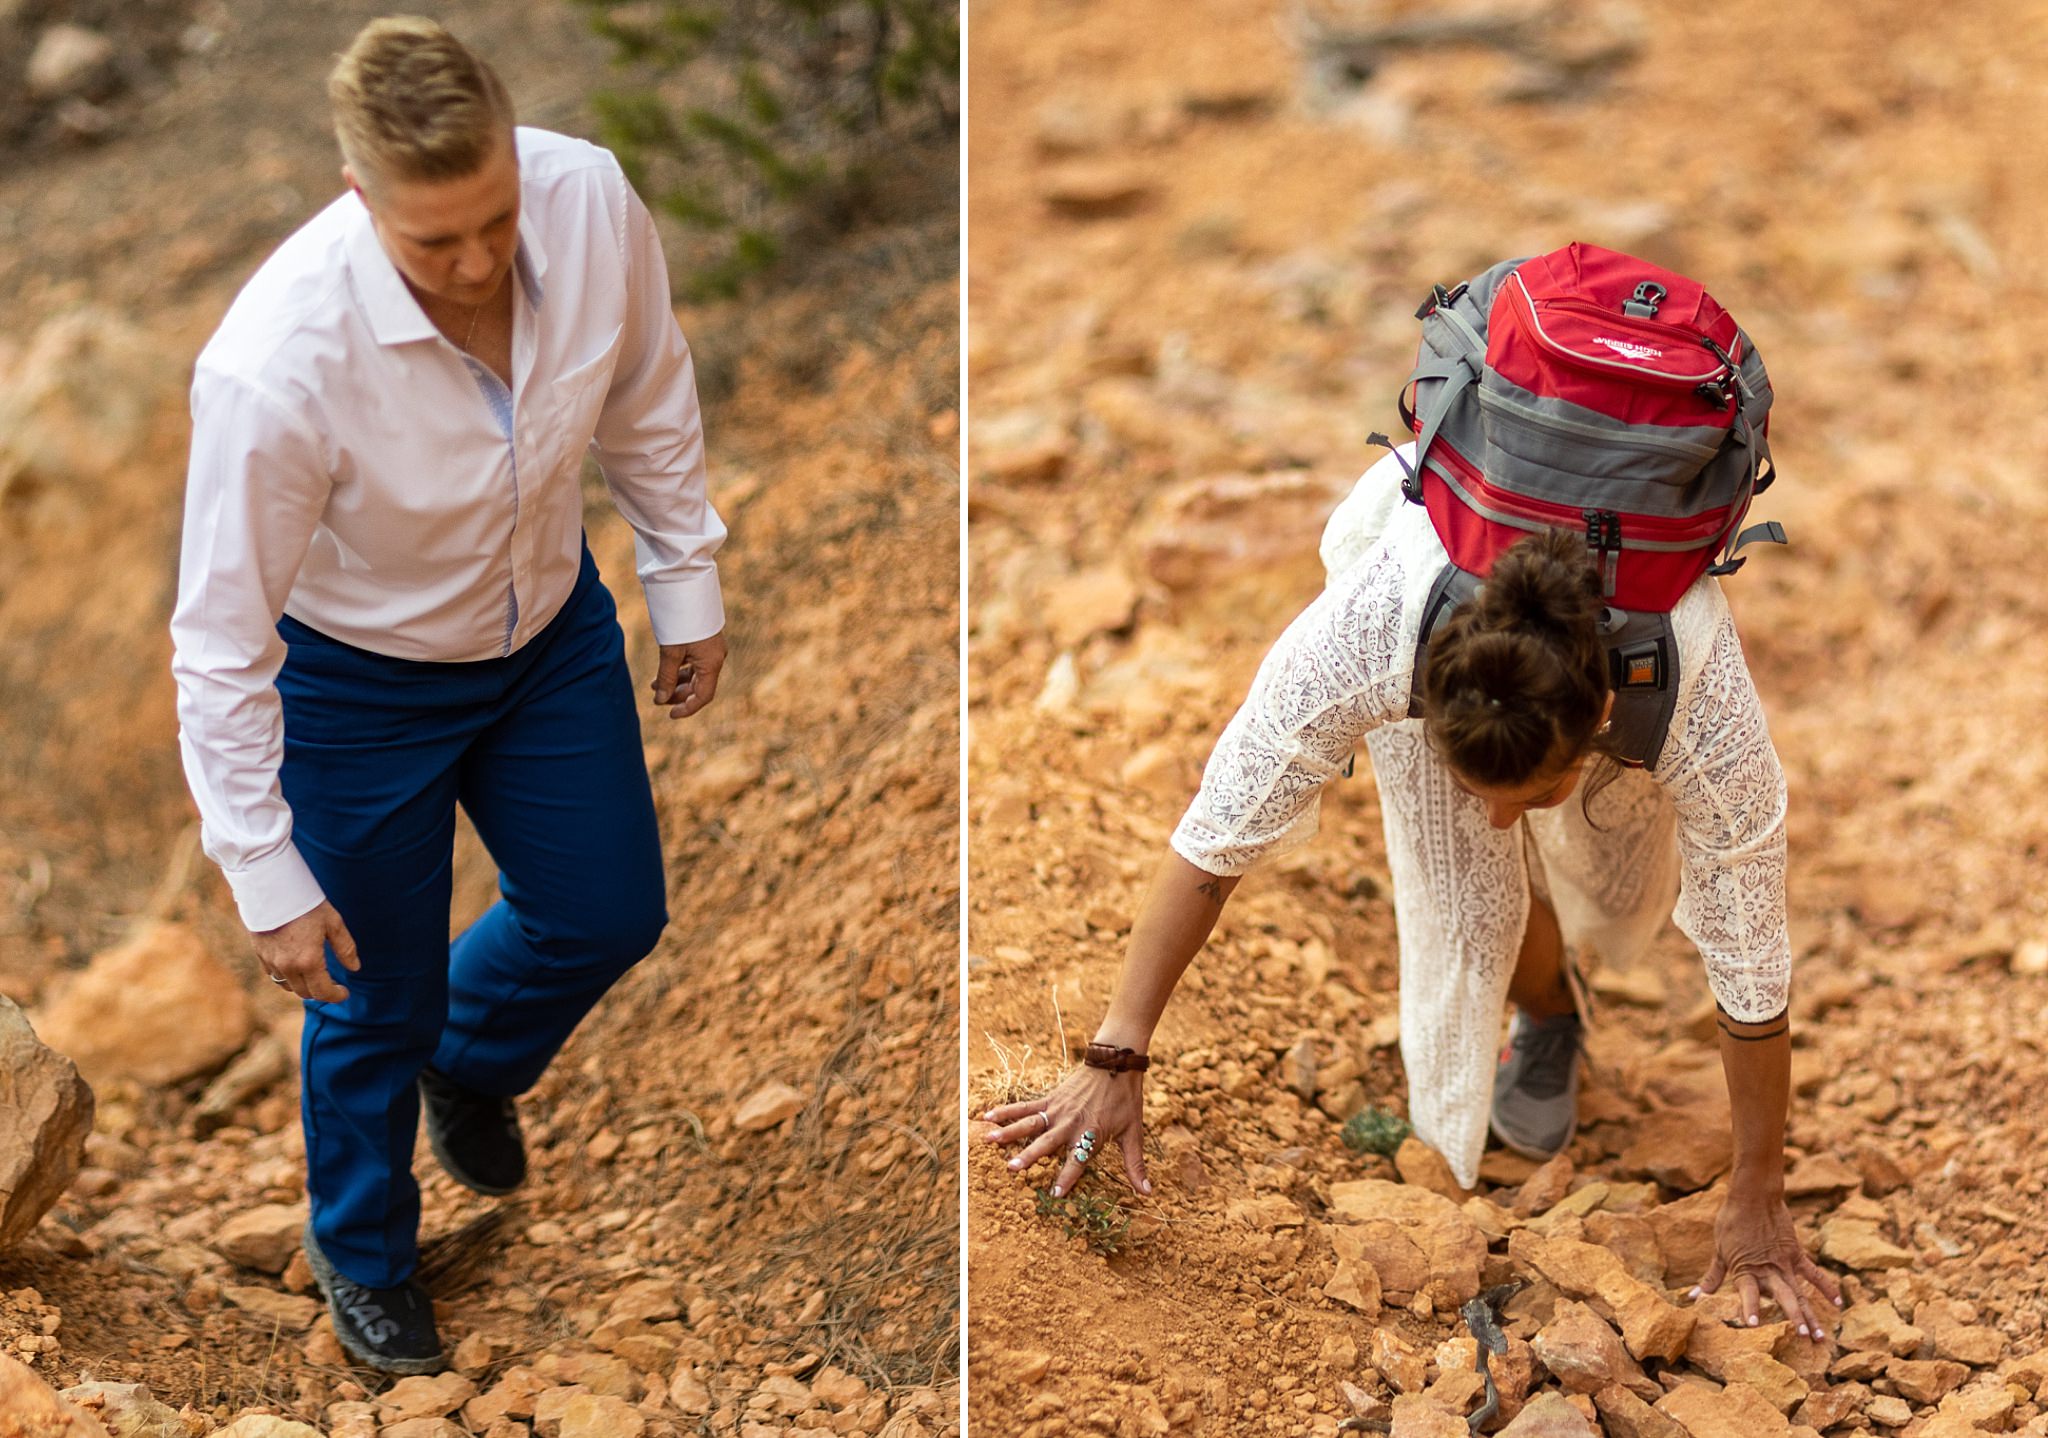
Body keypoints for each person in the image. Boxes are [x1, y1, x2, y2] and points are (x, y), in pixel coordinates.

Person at [984, 443, 1844, 1340]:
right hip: (1427, 562)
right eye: (1485, 789)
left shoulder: (1699, 694)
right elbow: (1216, 837)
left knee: (1624, 882)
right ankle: (1551, 1014)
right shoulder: (1366, 637)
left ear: (1598, 724)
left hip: (1639, 672)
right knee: (1469, 895)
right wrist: (1114, 1054)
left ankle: (1563, 890)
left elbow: (1751, 960)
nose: (1506, 819)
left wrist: (1759, 1193)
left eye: (1534, 791)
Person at [169, 17, 727, 1374]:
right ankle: (364, 1253)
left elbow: (647, 392)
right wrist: (262, 866)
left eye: (493, 217)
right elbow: (219, 639)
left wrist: (685, 580)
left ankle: (468, 1058)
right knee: (367, 994)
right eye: (435, 241)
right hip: (359, 688)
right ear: (361, 198)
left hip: (549, 637)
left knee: (609, 910)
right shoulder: (275, 367)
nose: (479, 261)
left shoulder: (588, 197)